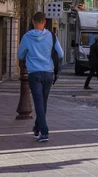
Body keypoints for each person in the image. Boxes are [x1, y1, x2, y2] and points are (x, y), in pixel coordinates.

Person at [17, 12, 64, 143]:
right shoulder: (51, 36)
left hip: (34, 73)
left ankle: (44, 132)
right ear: (44, 22)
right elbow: (60, 53)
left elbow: (20, 55)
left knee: (38, 102)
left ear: (33, 21)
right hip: (48, 73)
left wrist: (30, 54)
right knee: (43, 102)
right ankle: (37, 127)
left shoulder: (27, 37)